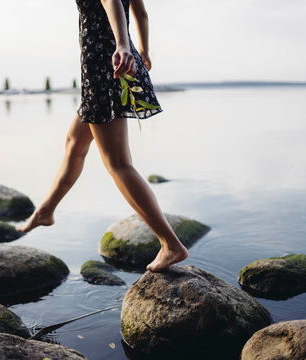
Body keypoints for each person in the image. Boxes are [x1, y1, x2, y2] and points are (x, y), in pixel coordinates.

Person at [17, 0, 188, 271]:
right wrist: (141, 48)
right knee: (75, 143)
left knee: (118, 163)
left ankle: (170, 244)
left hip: (105, 65)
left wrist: (122, 45)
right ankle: (46, 211)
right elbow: (140, 11)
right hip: (112, 62)